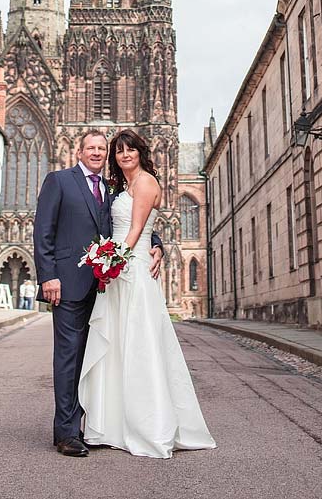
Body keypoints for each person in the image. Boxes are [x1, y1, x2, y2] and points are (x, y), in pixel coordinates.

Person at [78, 129, 216, 459]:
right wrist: (114, 260)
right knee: (119, 347)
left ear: (140, 153)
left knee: (139, 345)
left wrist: (113, 260)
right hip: (123, 267)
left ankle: (149, 426)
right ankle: (115, 425)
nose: (125, 155)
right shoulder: (121, 187)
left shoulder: (146, 182)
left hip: (132, 269)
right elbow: (124, 227)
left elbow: (138, 229)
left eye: (131, 150)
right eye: (120, 151)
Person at [33, 130, 164, 457]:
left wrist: (155, 243)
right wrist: (48, 277)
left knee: (96, 357)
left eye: (101, 149)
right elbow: (43, 231)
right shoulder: (59, 180)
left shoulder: (111, 188)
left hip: (106, 286)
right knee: (68, 357)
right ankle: (66, 432)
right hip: (67, 283)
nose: (96, 153)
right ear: (79, 150)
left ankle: (97, 423)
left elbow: (132, 219)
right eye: (91, 147)